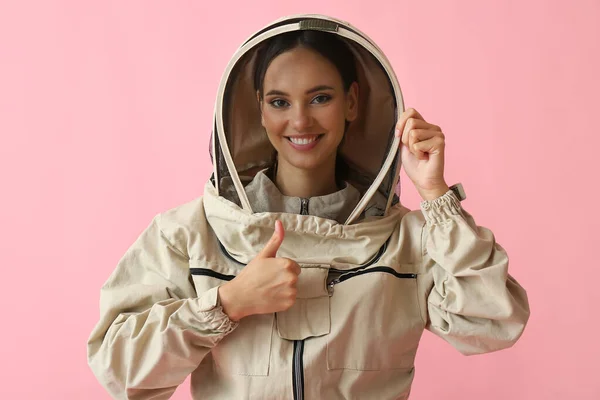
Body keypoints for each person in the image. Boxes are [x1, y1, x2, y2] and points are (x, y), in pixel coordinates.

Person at [87, 14, 530, 400]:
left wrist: (436, 196)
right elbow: (120, 370)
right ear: (258, 109)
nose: (299, 121)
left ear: (352, 102)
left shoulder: (408, 242)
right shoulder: (189, 234)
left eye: (321, 98)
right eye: (280, 102)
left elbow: (494, 322)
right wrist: (227, 303)